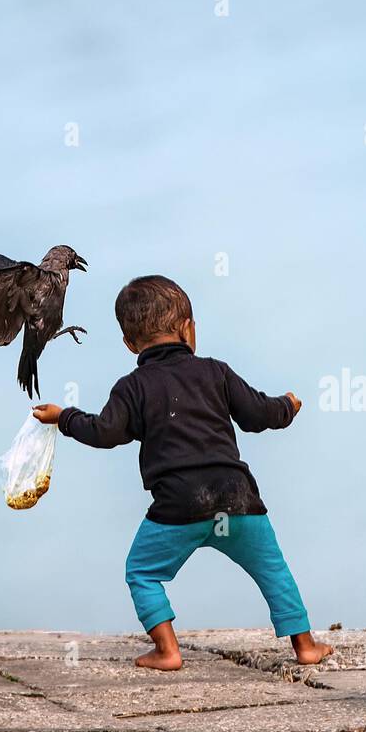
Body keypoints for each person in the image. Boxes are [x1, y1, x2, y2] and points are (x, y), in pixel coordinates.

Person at [32, 274, 333, 671]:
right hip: (236, 500)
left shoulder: (133, 387)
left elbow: (105, 432)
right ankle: (306, 646)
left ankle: (168, 650)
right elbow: (260, 414)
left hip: (179, 506)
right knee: (273, 570)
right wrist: (288, 406)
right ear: (189, 329)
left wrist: (64, 417)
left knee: (140, 571)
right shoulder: (216, 372)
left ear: (129, 344)